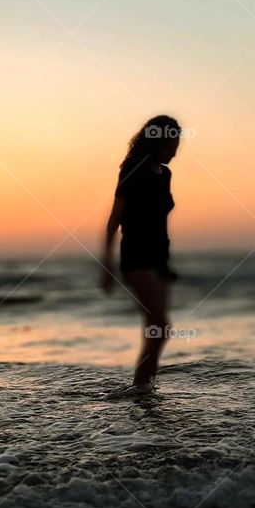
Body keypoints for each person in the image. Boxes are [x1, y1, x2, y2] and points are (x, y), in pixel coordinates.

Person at [101, 115, 182, 391]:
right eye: (172, 144)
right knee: (159, 324)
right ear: (158, 142)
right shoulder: (133, 170)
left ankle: (145, 388)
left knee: (156, 328)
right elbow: (114, 220)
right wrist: (107, 263)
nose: (175, 151)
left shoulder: (166, 174)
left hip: (161, 257)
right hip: (136, 254)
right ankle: (141, 387)